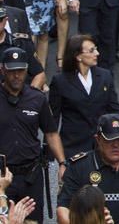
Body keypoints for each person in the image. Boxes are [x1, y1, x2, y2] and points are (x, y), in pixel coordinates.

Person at [0, 47, 67, 223]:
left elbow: (51, 133)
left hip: (31, 175)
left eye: (21, 70)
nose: (17, 75)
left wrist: (62, 163)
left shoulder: (37, 99)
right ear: (2, 70)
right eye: (12, 71)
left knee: (33, 221)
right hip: (2, 177)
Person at [48, 34, 119, 158]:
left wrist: (117, 138)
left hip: (102, 145)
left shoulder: (105, 76)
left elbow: (115, 110)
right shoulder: (60, 81)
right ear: (78, 56)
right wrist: (49, 152)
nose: (97, 53)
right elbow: (52, 118)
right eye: (92, 50)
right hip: (73, 147)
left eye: (96, 49)